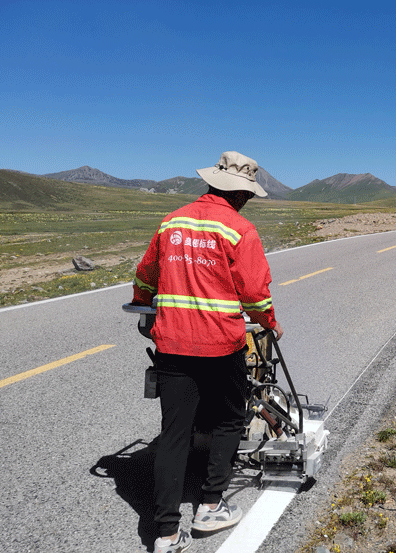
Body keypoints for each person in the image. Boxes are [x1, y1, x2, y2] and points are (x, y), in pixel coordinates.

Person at [131, 151, 284, 553]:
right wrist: (269, 321)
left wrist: (143, 301)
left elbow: (146, 272)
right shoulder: (239, 229)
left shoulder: (173, 221)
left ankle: (165, 533)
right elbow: (253, 293)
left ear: (213, 182)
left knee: (173, 434)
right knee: (229, 420)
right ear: (243, 194)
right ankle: (210, 506)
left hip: (173, 343)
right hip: (220, 345)